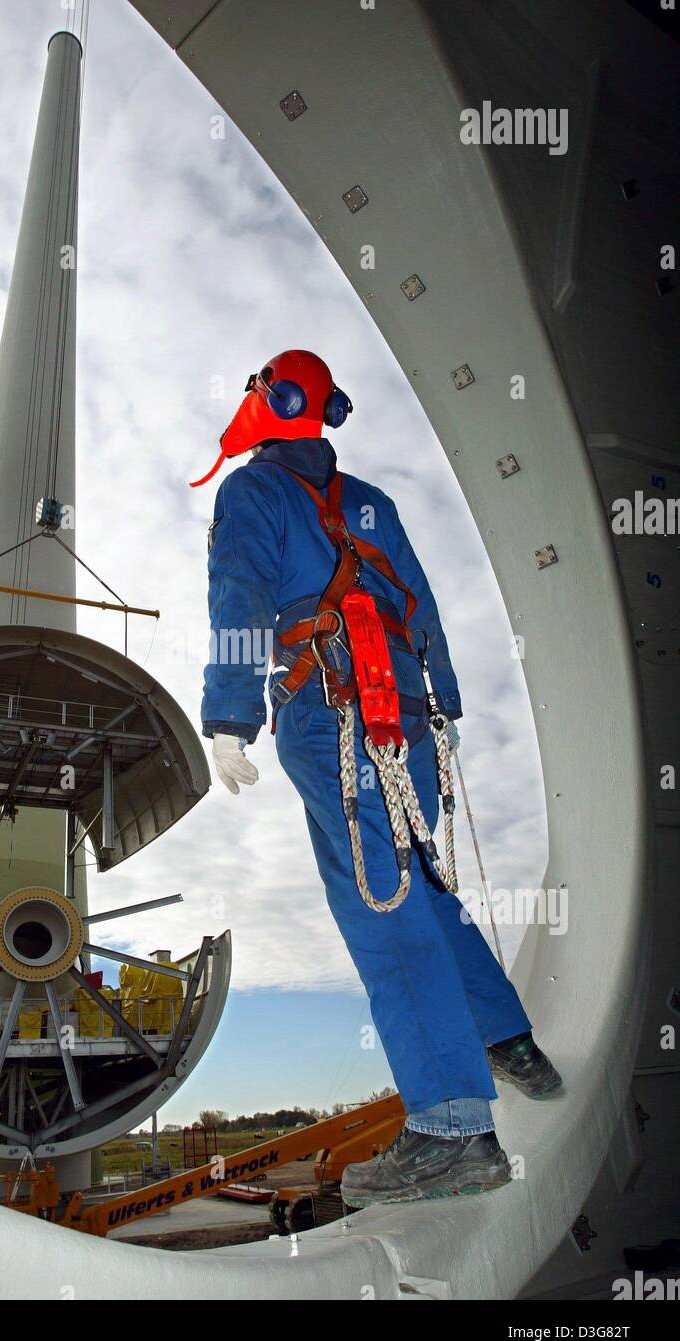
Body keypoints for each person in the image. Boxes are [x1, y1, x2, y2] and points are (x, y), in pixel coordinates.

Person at [195, 349, 561, 1206]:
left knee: (380, 905)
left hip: (332, 714)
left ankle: (451, 1130)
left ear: (271, 403)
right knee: (418, 888)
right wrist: (445, 709)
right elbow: (421, 607)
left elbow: (239, 593)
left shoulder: (252, 492)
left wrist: (228, 714)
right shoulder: (372, 503)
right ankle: (510, 1045)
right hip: (408, 718)